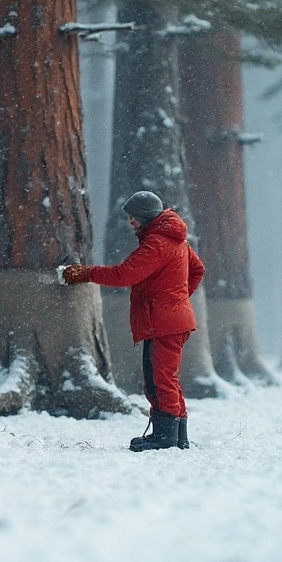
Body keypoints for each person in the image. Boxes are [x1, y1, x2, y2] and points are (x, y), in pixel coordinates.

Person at [63, 191, 205, 451]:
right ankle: (175, 436)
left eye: (132, 217)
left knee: (161, 379)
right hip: (169, 319)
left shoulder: (158, 243)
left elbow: (125, 274)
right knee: (160, 378)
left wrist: (86, 273)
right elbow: (197, 270)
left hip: (165, 321)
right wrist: (179, 298)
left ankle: (166, 438)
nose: (130, 222)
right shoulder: (175, 241)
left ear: (145, 217)